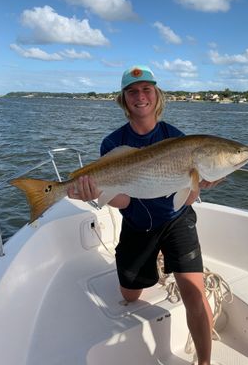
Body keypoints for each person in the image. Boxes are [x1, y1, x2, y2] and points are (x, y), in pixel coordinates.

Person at [68, 65, 220, 365]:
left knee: (194, 292)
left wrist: (199, 182)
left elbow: (187, 199)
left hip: (177, 220)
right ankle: (154, 264)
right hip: (137, 223)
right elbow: (123, 201)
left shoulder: (177, 138)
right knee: (131, 295)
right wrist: (97, 191)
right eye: (133, 91)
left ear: (156, 95)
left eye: (146, 89)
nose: (140, 96)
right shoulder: (113, 143)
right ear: (124, 100)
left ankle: (204, 362)